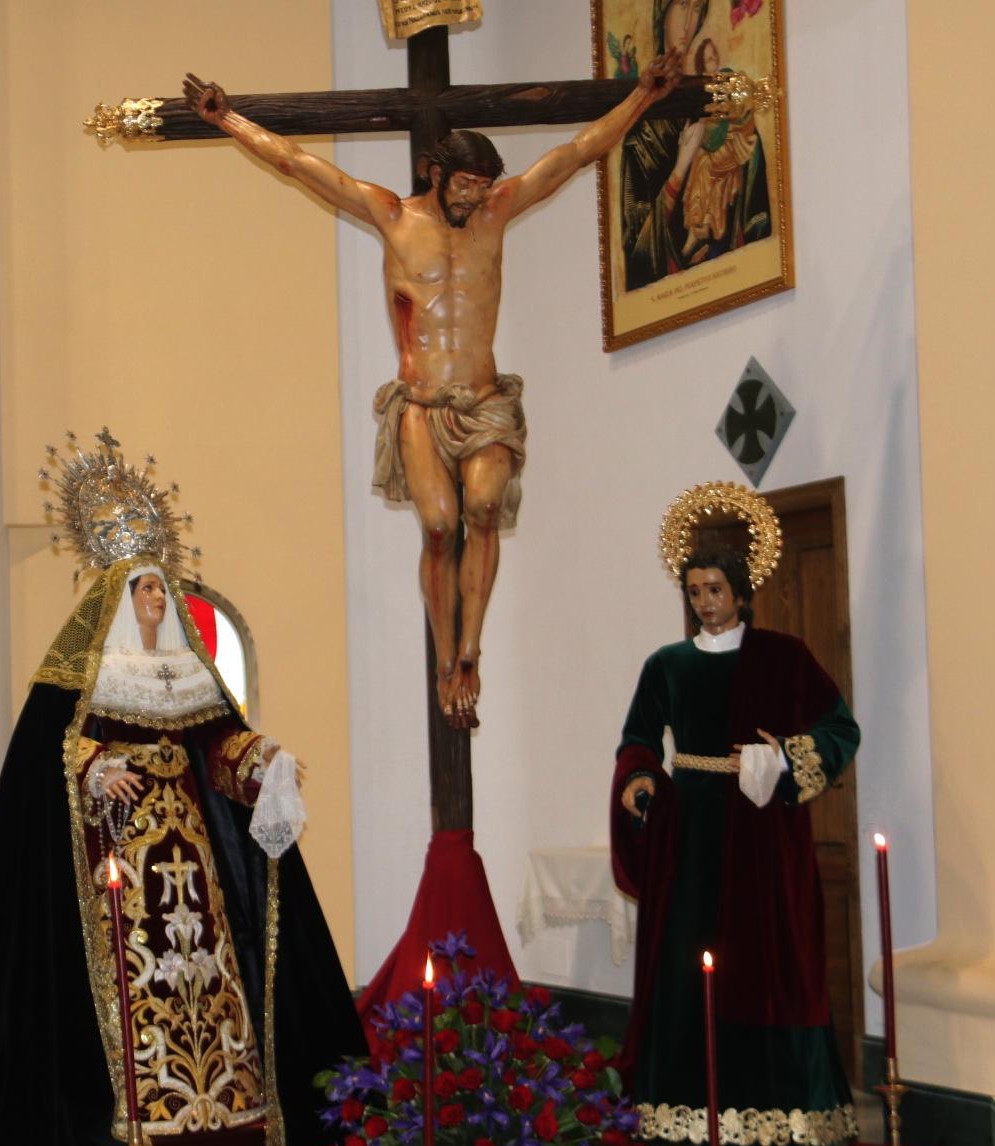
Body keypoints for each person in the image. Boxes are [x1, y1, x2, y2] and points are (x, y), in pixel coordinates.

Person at [185, 59, 679, 727]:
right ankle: (446, 659)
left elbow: (575, 153)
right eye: (465, 185)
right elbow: (298, 164)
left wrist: (642, 97)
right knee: (442, 528)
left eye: (483, 186)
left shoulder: (497, 213)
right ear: (435, 174)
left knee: (484, 506)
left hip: (485, 401)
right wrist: (228, 119)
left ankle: (471, 651)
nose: (474, 198)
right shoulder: (392, 215)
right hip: (421, 405)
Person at [0, 550, 364, 1146]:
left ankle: (226, 1116)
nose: (159, 597)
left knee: (208, 978)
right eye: (146, 588)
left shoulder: (191, 676)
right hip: (123, 870)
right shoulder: (83, 675)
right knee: (134, 982)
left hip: (193, 867)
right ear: (117, 602)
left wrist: (263, 758)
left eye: (164, 587)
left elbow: (219, 748)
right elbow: (53, 751)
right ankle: (133, 1122)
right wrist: (96, 767)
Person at [610, 540, 859, 1146]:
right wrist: (639, 778)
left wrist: (783, 757)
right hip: (690, 837)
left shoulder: (784, 656)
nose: (705, 602)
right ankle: (685, 1113)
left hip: (763, 836)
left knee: (767, 959)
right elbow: (638, 739)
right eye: (694, 591)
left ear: (741, 593)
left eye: (715, 590)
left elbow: (840, 729)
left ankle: (784, 1114)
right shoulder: (667, 664)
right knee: (688, 962)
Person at [618, 0, 774, 290]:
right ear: (662, 13)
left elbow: (756, 208)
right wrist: (680, 169)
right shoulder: (641, 140)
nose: (690, 20)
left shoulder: (713, 99)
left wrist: (740, 155)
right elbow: (637, 256)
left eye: (698, 7)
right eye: (682, 5)